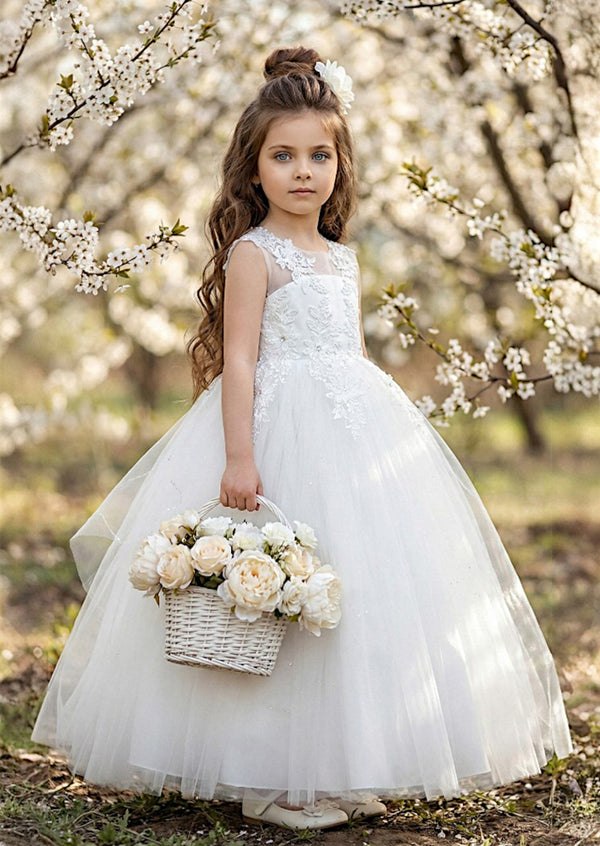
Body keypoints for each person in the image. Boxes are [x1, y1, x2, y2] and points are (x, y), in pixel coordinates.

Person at [32, 45, 573, 831]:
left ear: (339, 165)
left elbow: (346, 354)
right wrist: (241, 456)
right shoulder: (255, 254)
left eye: (319, 155)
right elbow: (242, 361)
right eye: (282, 156)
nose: (302, 171)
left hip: (355, 429)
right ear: (254, 171)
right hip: (279, 429)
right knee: (270, 601)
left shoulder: (344, 260)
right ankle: (267, 771)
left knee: (350, 593)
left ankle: (335, 764)